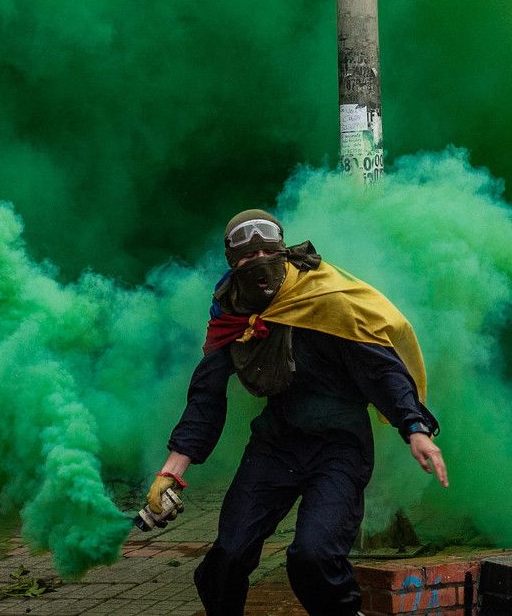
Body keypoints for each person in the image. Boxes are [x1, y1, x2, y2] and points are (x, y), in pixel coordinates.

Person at [145, 209, 447, 616]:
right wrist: (171, 473)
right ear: (233, 264)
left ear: (283, 251)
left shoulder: (324, 297)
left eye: (267, 252)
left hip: (339, 448)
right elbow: (206, 396)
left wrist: (415, 428)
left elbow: (382, 369)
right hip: (276, 445)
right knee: (227, 558)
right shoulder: (234, 312)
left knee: (312, 557)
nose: (259, 264)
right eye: (247, 258)